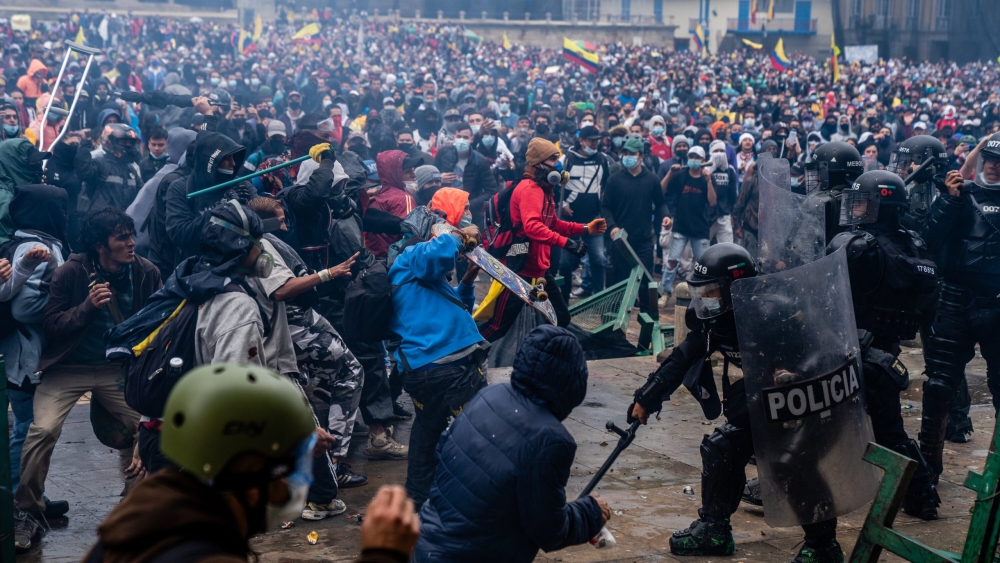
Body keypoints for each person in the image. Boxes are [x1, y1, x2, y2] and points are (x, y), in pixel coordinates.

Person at [82, 362, 421, 563]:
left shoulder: (151, 511)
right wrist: (383, 555)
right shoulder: (204, 556)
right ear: (249, 469)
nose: (295, 483)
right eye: (290, 465)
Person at [15, 207, 160, 549]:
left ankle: (136, 506)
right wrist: (88, 307)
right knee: (42, 431)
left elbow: (159, 320)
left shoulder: (145, 272)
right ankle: (27, 511)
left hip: (119, 370)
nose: (131, 243)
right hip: (69, 369)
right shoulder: (70, 273)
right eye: (121, 238)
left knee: (152, 429)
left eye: (131, 235)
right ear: (100, 245)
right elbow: (51, 325)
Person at [414, 325, 610, 562]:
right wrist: (591, 513)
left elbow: (443, 453)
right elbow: (548, 530)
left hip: (426, 544)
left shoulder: (490, 394)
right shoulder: (552, 440)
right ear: (572, 383)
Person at [824, 170, 942, 520]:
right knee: (876, 423)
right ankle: (921, 495)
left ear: (881, 207)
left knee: (832, 419)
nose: (855, 208)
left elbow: (825, 290)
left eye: (862, 202)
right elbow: (927, 300)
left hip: (851, 341)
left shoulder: (855, 245)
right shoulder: (914, 243)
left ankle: (920, 493)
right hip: (887, 346)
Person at [387, 201, 488, 505]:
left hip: (424, 370)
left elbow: (454, 308)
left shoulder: (417, 277)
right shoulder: (410, 255)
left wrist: (468, 279)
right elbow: (435, 254)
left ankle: (417, 500)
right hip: (449, 366)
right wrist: (459, 235)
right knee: (482, 435)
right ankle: (480, 499)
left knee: (427, 430)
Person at [917, 133, 1000, 502]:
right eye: (991, 159)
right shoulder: (958, 193)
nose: (995, 166)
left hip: (996, 304)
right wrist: (948, 201)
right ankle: (925, 476)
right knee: (937, 387)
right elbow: (927, 242)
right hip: (954, 299)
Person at [476, 138, 604, 341]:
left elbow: (553, 224)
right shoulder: (530, 189)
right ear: (539, 163)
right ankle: (464, 359)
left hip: (539, 269)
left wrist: (586, 228)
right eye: (553, 159)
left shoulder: (544, 190)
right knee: (497, 327)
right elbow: (533, 227)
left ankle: (540, 355)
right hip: (518, 271)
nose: (558, 164)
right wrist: (567, 243)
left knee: (560, 318)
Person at [0, 185, 65, 538]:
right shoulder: (39, 248)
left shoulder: (23, 239)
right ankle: (18, 500)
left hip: (19, 353)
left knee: (30, 426)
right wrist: (63, 307)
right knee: (27, 427)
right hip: (23, 355)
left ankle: (30, 496)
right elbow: (25, 307)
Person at [601, 136, 669, 313]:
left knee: (646, 283)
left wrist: (666, 216)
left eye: (632, 154)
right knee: (618, 282)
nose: (628, 157)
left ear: (641, 157)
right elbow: (606, 207)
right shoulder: (614, 180)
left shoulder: (651, 179)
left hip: (644, 240)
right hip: (620, 241)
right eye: (625, 153)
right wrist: (612, 226)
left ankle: (649, 321)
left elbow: (660, 203)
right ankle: (613, 322)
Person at [558, 125, 610, 300]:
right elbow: (555, 184)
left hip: (593, 218)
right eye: (590, 140)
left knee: (598, 259)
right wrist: (563, 203)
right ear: (581, 141)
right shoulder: (567, 159)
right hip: (569, 220)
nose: (594, 144)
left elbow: (606, 185)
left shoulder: (602, 159)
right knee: (565, 263)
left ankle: (599, 298)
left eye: (597, 140)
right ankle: (563, 300)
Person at [661, 145, 717, 296]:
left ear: (703, 160)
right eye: (691, 157)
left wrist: (709, 181)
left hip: (700, 228)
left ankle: (704, 296)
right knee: (672, 260)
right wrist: (669, 173)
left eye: (697, 157)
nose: (693, 160)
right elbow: (662, 190)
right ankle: (665, 292)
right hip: (681, 226)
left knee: (703, 265)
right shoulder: (681, 176)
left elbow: (712, 202)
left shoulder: (706, 179)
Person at [433, 122, 498, 229]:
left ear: (472, 139)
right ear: (454, 138)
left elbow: (491, 191)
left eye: (465, 137)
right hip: (444, 209)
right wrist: (439, 178)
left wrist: (467, 205)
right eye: (459, 137)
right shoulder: (443, 153)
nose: (462, 140)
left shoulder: (480, 161)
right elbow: (431, 177)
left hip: (469, 214)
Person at [75, 123, 144, 214]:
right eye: (124, 142)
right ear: (109, 142)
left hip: (124, 222)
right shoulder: (100, 163)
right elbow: (83, 171)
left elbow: (143, 195)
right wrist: (85, 144)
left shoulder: (131, 170)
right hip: (100, 221)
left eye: (130, 143)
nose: (128, 146)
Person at [0, 138, 49, 244]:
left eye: (38, 162)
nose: (36, 167)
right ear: (13, 165)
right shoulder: (5, 199)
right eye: (31, 163)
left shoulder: (20, 192)